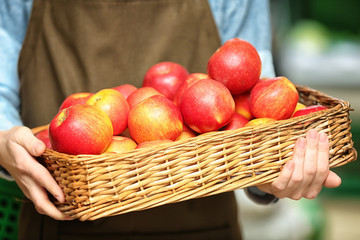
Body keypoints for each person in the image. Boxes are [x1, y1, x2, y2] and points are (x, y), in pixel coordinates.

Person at [0, 0, 341, 239]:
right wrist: (3, 141)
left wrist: (269, 172)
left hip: (204, 229)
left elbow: (254, 103)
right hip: (59, 222)